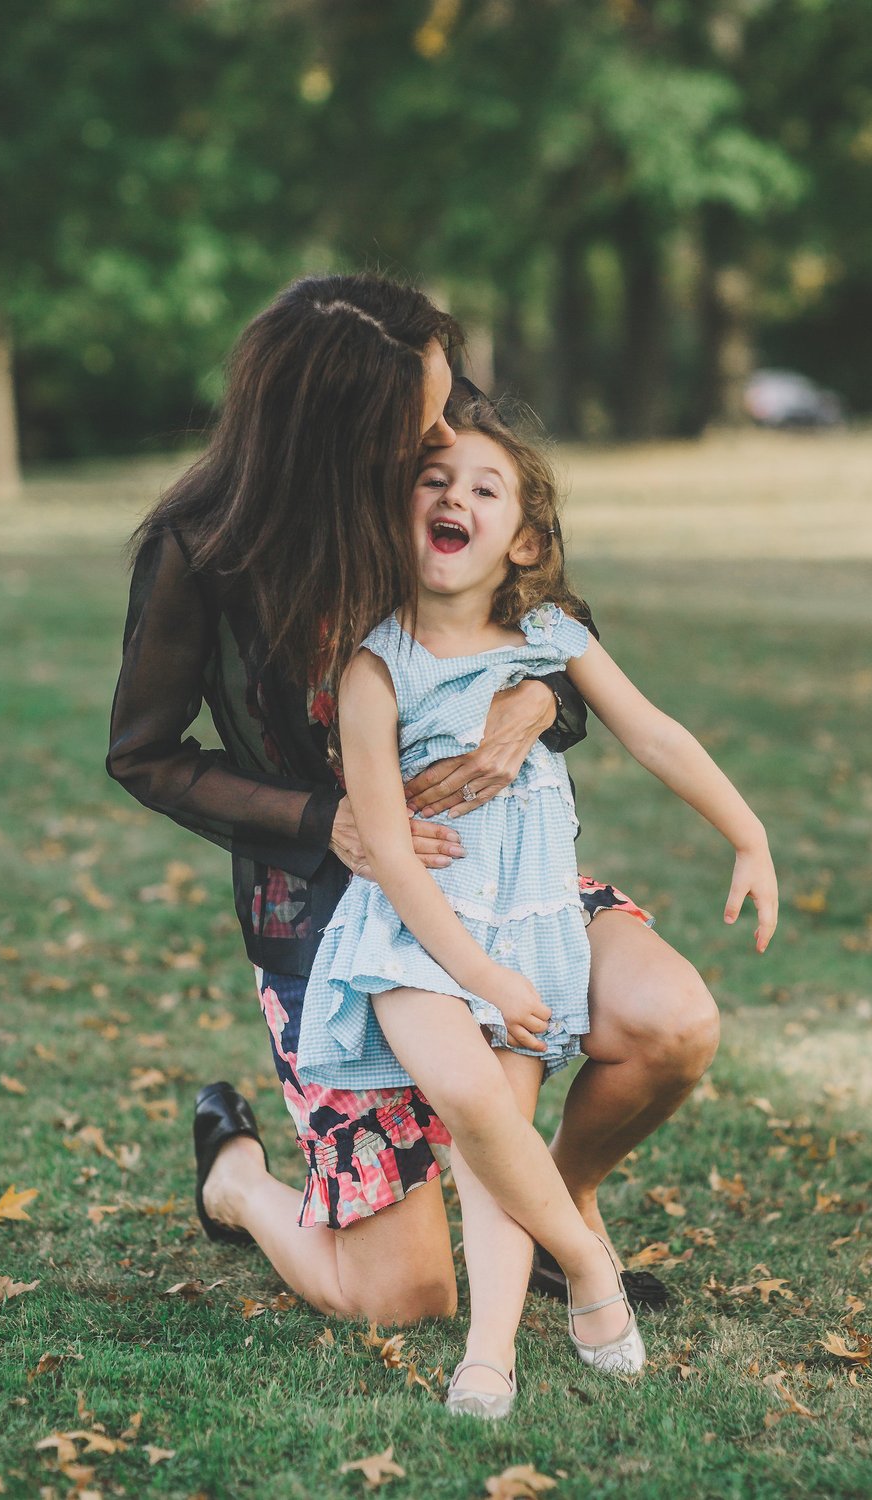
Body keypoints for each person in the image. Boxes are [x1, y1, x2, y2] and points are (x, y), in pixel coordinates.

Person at [107, 271, 725, 1330]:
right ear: (340, 434)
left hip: (486, 878)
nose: (451, 429)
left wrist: (534, 702)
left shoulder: (430, 435)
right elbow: (145, 754)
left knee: (668, 1025)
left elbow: (537, 600)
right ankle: (239, 1182)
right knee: (403, 1297)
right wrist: (324, 820)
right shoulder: (202, 550)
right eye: (426, 421)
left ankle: (545, 1213)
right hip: (332, 916)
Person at [294, 397, 778, 1416]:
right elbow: (384, 845)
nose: (453, 496)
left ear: (520, 541)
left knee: (499, 1138)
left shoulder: (549, 637)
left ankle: (490, 1358)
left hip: (532, 925)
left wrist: (747, 832)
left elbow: (652, 733)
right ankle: (586, 1264)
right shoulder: (377, 664)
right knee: (471, 1104)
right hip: (414, 938)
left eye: (483, 487)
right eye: (434, 482)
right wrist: (475, 975)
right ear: (399, 515)